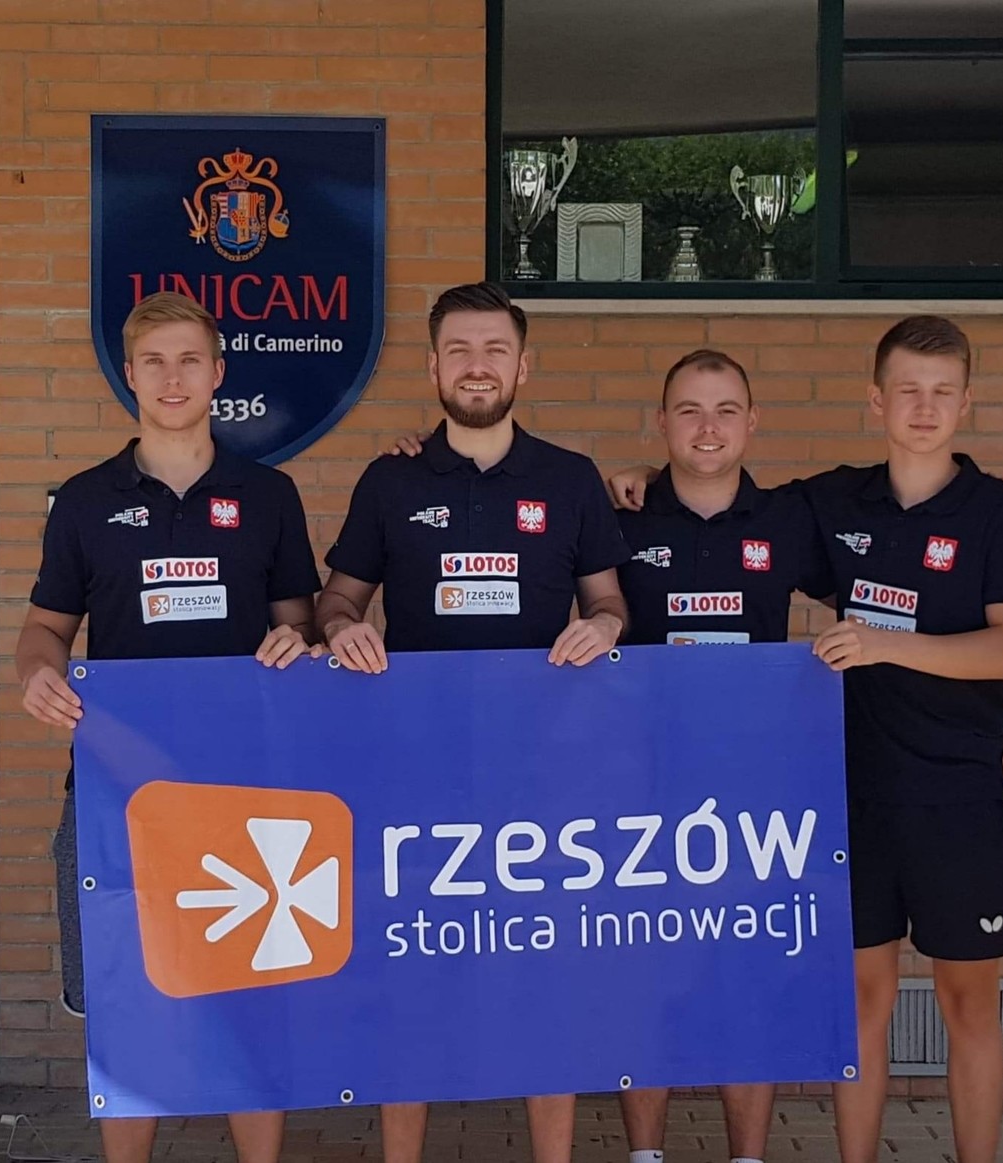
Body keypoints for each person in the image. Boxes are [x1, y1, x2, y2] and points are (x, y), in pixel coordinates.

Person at [609, 316, 1003, 1163]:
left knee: (969, 1001)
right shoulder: (828, 504)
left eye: (942, 391)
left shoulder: (1001, 512)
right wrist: (639, 476)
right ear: (876, 400)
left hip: (956, 793)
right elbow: (715, 480)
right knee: (860, 1001)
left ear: (966, 402)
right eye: (907, 390)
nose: (924, 407)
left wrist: (886, 642)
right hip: (847, 789)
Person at [315, 281, 631, 1163]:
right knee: (412, 977)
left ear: (524, 366)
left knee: (545, 976)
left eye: (495, 349)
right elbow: (338, 599)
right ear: (433, 367)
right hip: (418, 777)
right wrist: (341, 630)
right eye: (459, 349)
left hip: (544, 778)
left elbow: (609, 600)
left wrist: (606, 626)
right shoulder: (391, 478)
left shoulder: (569, 478)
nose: (478, 366)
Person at [16, 291, 320, 1163]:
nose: (172, 377)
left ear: (218, 373)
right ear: (129, 375)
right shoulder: (84, 501)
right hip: (118, 792)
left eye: (190, 359)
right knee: (127, 1003)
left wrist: (296, 643)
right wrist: (37, 671)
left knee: (252, 997)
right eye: (154, 361)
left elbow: (297, 625)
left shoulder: (269, 495)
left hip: (245, 789)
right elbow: (44, 629)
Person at [610, 347, 835, 1163]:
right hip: (641, 785)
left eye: (726, 410)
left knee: (748, 973)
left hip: (754, 791)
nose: (708, 428)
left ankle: (747, 1156)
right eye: (690, 411)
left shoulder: (790, 519)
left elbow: (867, 584)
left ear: (752, 421)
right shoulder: (619, 517)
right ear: (662, 422)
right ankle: (646, 1155)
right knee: (647, 974)